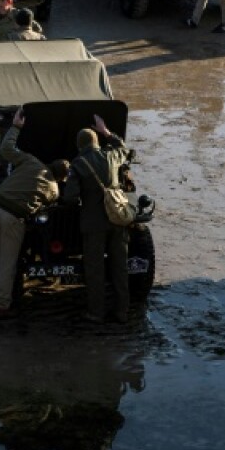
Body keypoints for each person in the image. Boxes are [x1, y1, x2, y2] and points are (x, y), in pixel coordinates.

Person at [0, 107, 69, 319]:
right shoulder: (53, 189)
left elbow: (6, 149)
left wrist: (16, 127)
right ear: (62, 178)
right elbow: (49, 207)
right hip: (12, 218)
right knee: (7, 264)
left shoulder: (31, 161)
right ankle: (2, 306)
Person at [63, 116, 134, 324]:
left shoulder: (78, 164)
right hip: (117, 218)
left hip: (93, 224)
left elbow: (70, 197)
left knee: (95, 269)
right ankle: (122, 311)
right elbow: (123, 147)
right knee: (120, 267)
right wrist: (106, 131)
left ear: (79, 145)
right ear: (97, 142)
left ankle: (96, 312)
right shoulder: (111, 156)